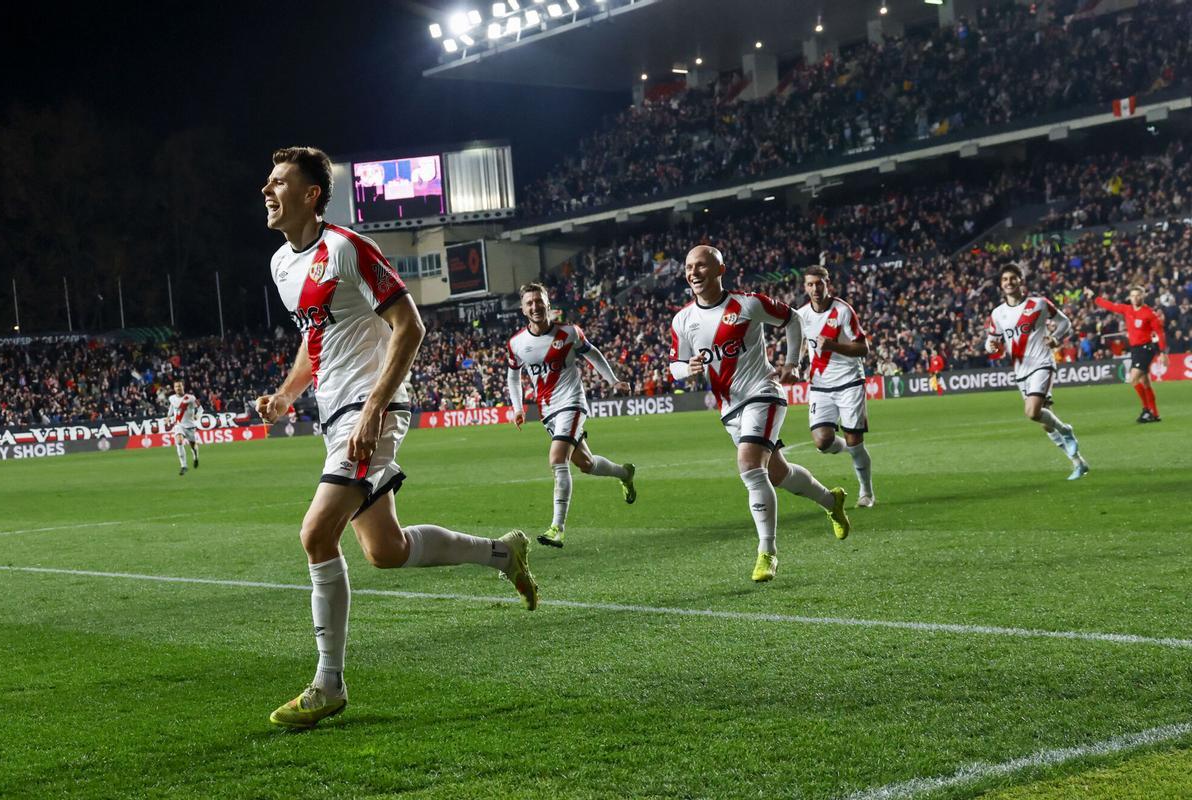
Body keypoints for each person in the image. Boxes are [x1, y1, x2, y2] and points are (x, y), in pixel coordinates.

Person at [257, 146, 538, 730]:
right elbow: (318, 344)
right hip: (336, 415)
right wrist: (286, 394)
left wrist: (376, 407)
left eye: (279, 181)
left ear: (310, 194)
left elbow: (410, 324)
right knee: (385, 551)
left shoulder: (348, 248)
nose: (267, 189)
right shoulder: (283, 265)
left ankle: (327, 683)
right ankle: (502, 552)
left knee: (315, 534)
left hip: (371, 408)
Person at [669, 246, 850, 583]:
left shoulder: (747, 304)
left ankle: (767, 552)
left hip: (763, 394)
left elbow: (793, 319)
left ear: (720, 269)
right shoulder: (683, 320)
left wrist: (793, 362)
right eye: (689, 267)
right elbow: (674, 365)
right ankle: (831, 500)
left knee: (750, 465)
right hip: (729, 408)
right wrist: (687, 368)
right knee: (777, 474)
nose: (694, 273)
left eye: (702, 266)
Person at [506, 283, 637, 548]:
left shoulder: (569, 333)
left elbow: (594, 355)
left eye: (539, 301)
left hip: (572, 403)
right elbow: (513, 376)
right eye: (529, 302)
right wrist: (518, 408)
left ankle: (558, 527)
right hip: (547, 411)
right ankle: (625, 473)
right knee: (585, 463)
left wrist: (613, 381)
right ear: (523, 308)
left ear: (548, 304)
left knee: (557, 458)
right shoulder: (517, 343)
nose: (535, 306)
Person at [986, 264, 1089, 480]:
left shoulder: (1039, 304)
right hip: (1020, 370)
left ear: (1021, 280)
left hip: (1042, 363)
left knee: (1032, 411)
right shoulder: (998, 313)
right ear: (1001, 284)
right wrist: (991, 346)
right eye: (1005, 279)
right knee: (1044, 422)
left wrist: (1056, 338)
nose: (1008, 282)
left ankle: (1067, 430)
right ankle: (1078, 462)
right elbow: (992, 340)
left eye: (1013, 278)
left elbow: (1064, 322)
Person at [797, 266, 876, 507]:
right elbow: (804, 341)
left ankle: (867, 492)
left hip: (848, 381)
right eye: (810, 284)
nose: (815, 289)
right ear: (805, 287)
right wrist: (801, 359)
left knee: (855, 441)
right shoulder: (802, 315)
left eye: (819, 283)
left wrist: (832, 346)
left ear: (827, 283)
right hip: (820, 385)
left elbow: (863, 348)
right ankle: (843, 448)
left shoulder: (843, 311)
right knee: (822, 442)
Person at [1089, 285, 1168, 422]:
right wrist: (1093, 297)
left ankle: (1146, 410)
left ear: (1143, 296)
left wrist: (1162, 352)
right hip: (1135, 349)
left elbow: (1160, 333)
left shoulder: (1149, 313)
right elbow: (1110, 306)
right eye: (1132, 295)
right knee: (1145, 382)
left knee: (1133, 379)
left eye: (1138, 295)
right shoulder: (1127, 309)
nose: (1135, 298)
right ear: (1129, 297)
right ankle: (1154, 413)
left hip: (1145, 349)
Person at [165, 380, 201, 476]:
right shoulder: (171, 398)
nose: (178, 388)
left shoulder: (191, 398)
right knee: (179, 441)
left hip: (190, 425)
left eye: (179, 386)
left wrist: (197, 415)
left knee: (193, 446)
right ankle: (184, 466)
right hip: (179, 425)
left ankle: (196, 457)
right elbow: (172, 407)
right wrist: (168, 417)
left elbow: (201, 408)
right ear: (174, 388)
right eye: (176, 387)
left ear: (183, 387)